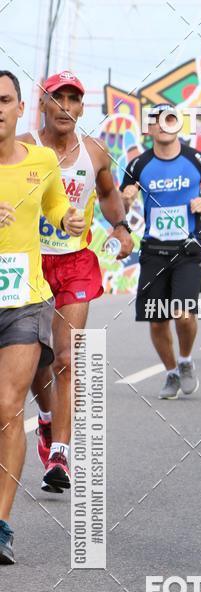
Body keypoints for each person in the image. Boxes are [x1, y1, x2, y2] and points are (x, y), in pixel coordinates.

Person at [19, 71, 134, 492]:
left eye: (73, 99)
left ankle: (61, 454)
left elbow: (107, 193)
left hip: (75, 262)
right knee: (36, 360)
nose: (65, 106)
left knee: (66, 357)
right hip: (29, 264)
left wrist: (120, 227)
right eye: (58, 98)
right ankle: (47, 419)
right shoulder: (24, 147)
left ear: (82, 108)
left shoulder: (95, 152)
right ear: (43, 104)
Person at [0, 70, 84, 563]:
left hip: (23, 300)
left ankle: (1, 524)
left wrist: (67, 219)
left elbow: (55, 208)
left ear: (19, 107)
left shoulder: (41, 160)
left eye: (4, 99)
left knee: (8, 408)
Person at [120, 104, 201, 399]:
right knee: (157, 319)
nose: (164, 124)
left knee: (183, 314)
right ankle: (171, 372)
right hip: (154, 250)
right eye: (157, 120)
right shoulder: (138, 165)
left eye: (170, 119)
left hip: (187, 249)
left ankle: (186, 359)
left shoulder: (197, 160)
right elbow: (119, 204)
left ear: (178, 124)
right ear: (149, 128)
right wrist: (126, 199)